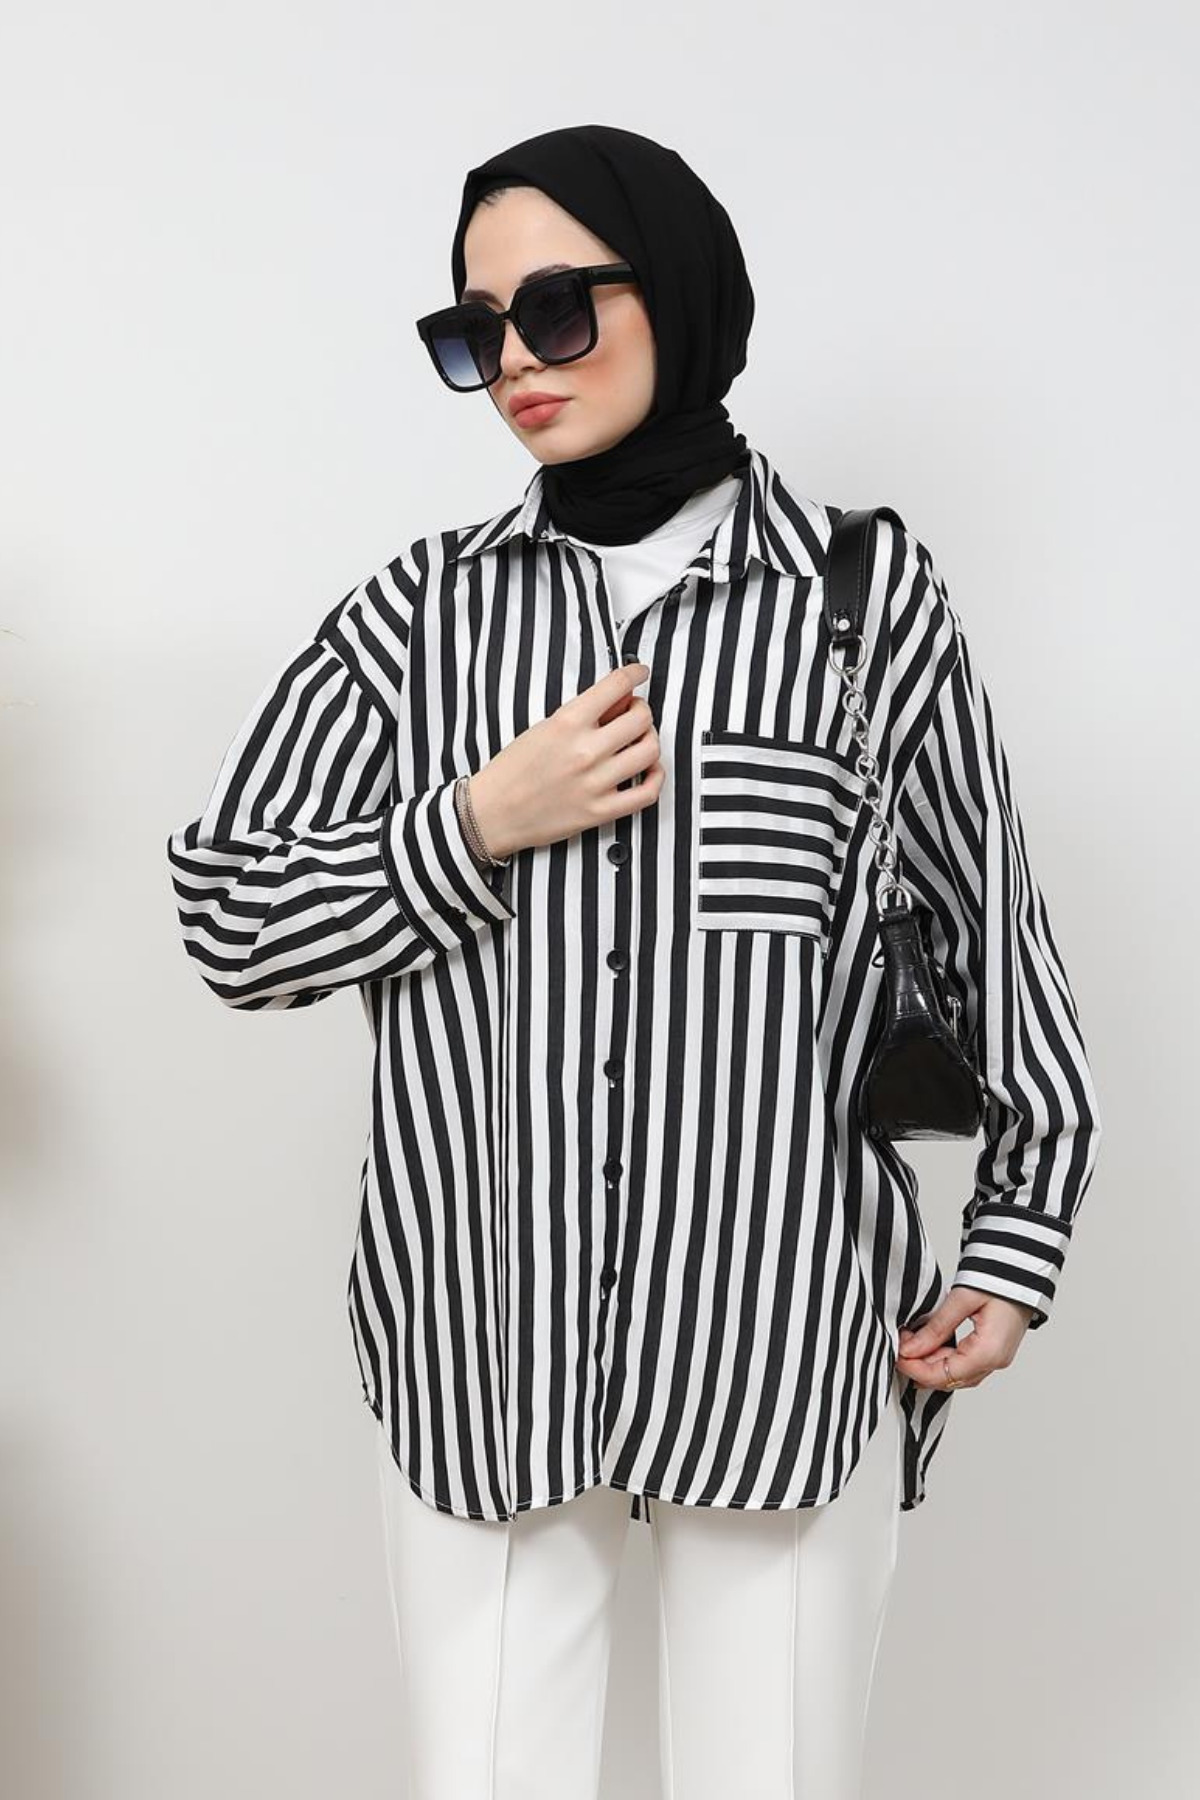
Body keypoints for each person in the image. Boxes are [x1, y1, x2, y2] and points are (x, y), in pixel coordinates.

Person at [166, 125, 1102, 1800]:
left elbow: (993, 930)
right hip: (485, 1348)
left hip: (783, 1339)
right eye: (475, 332)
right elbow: (227, 914)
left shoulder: (861, 603)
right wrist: (477, 823)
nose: (516, 363)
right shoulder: (419, 621)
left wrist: (1016, 1242)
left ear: (675, 289)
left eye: (555, 308)